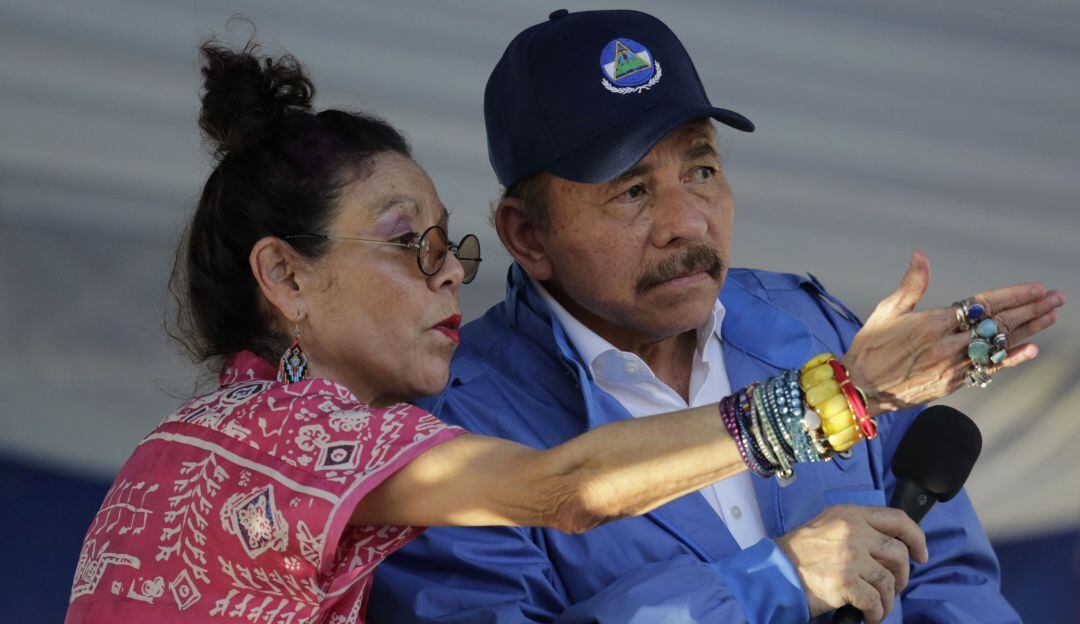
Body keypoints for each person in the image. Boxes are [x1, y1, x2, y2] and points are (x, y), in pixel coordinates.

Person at [64, 36, 979, 624]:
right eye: (405, 244)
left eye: (701, 170)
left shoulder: (295, 438)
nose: (452, 273)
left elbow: (955, 581)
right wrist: (838, 402)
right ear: (286, 277)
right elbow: (563, 489)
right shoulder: (271, 434)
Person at [369, 9, 1064, 624]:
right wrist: (776, 582)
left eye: (701, 170)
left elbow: (948, 570)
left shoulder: (811, 327)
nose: (687, 224)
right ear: (527, 236)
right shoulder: (447, 428)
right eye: (632, 190)